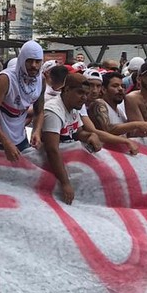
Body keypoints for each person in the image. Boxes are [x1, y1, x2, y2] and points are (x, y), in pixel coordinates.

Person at [40, 72, 104, 204]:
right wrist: (65, 183)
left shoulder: (74, 106)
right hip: (48, 169)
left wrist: (91, 135)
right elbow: (52, 150)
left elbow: (78, 132)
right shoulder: (53, 111)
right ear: (67, 89)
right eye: (80, 93)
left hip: (68, 165)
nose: (84, 98)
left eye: (86, 94)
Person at [0, 40, 44, 161]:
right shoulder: (6, 79)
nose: (34, 66)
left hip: (21, 140)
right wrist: (6, 143)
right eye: (30, 61)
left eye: (38, 61)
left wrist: (36, 131)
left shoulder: (41, 79)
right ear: (22, 60)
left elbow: (39, 111)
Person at [87, 70, 147, 138]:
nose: (120, 89)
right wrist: (138, 124)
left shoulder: (120, 109)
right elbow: (108, 129)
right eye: (115, 86)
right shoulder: (99, 103)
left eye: (122, 86)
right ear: (104, 89)